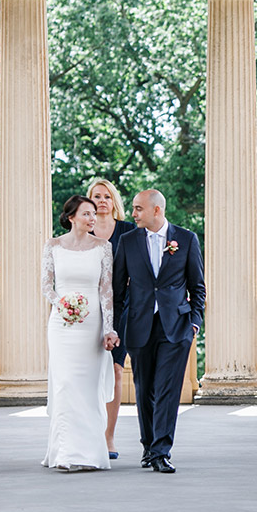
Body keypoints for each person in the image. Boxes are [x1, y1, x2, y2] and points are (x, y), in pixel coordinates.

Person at [112, 189, 205, 475]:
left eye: (138, 208)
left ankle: (161, 451)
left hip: (176, 327)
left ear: (156, 210)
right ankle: (149, 446)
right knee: (144, 390)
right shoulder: (128, 242)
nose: (133, 213)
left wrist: (194, 322)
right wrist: (115, 328)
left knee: (167, 389)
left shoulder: (186, 239)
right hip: (139, 325)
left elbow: (197, 286)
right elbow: (117, 291)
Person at [40, 194, 119, 472]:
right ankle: (64, 452)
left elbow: (105, 290)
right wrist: (62, 304)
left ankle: (90, 453)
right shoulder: (53, 246)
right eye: (86, 214)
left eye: (94, 214)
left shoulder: (103, 247)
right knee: (65, 384)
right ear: (71, 217)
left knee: (87, 386)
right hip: (61, 323)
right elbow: (46, 285)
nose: (92, 218)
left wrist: (108, 327)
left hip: (92, 323)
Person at [88, 178, 137, 459]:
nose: (103, 200)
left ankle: (109, 436)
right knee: (89, 373)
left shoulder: (128, 231)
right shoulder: (82, 230)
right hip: (88, 309)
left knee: (116, 370)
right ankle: (89, 432)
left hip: (122, 308)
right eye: (97, 196)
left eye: (107, 196)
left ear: (114, 201)